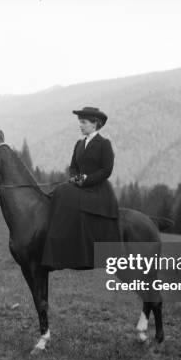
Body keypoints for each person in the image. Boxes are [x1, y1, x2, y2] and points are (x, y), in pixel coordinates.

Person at [41, 106, 120, 270]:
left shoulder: (104, 144)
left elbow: (106, 170)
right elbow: (73, 166)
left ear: (94, 124)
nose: (80, 125)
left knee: (62, 191)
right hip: (79, 186)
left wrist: (87, 179)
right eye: (80, 122)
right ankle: (55, 246)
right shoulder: (79, 144)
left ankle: (58, 251)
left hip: (97, 189)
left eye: (83, 122)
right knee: (58, 192)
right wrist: (75, 177)